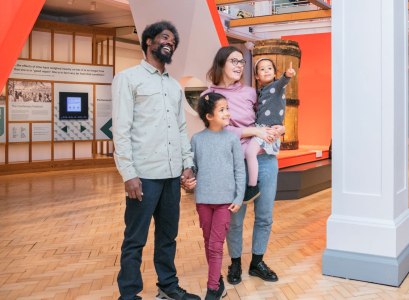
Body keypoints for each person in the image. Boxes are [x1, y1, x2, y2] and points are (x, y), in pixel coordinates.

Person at [112, 20, 200, 300]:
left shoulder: (174, 86)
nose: (170, 42)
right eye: (165, 37)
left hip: (172, 175)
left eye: (173, 40)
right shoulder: (128, 78)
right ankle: (128, 295)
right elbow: (121, 129)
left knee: (167, 237)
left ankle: (167, 287)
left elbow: (181, 127)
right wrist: (128, 173)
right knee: (135, 239)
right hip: (144, 176)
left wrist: (187, 163)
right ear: (148, 41)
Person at [201, 46, 284, 285]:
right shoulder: (209, 96)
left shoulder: (251, 92)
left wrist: (281, 128)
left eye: (241, 62)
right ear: (221, 64)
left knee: (265, 216)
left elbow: (269, 116)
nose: (239, 65)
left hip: (265, 159)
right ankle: (235, 263)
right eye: (233, 61)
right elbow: (217, 131)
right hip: (234, 163)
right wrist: (253, 130)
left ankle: (257, 262)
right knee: (234, 220)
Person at [185, 92, 245, 300]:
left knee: (216, 245)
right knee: (208, 241)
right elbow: (193, 168)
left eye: (227, 108)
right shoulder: (197, 139)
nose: (227, 112)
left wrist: (238, 198)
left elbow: (240, 170)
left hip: (225, 203)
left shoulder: (232, 138)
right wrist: (187, 182)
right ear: (209, 116)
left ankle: (212, 289)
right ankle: (218, 283)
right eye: (222, 109)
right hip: (203, 200)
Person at [243, 58, 296, 203]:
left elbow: (283, 81)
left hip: (266, 129)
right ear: (256, 76)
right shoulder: (261, 91)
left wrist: (288, 74)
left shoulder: (277, 86)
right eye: (262, 69)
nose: (266, 71)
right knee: (252, 153)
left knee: (249, 152)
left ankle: (252, 187)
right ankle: (254, 184)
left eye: (269, 68)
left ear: (274, 73)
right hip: (263, 129)